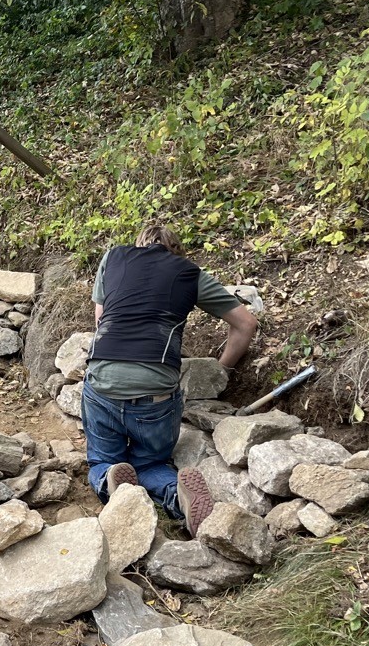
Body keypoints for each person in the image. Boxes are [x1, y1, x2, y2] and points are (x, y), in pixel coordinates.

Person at [83, 224, 258, 535]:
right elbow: (246, 323)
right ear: (177, 250)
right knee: (151, 464)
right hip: (155, 390)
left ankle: (110, 478)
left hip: (102, 380)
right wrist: (222, 370)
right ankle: (177, 496)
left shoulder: (113, 258)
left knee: (102, 458)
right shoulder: (188, 272)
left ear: (138, 244)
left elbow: (101, 320)